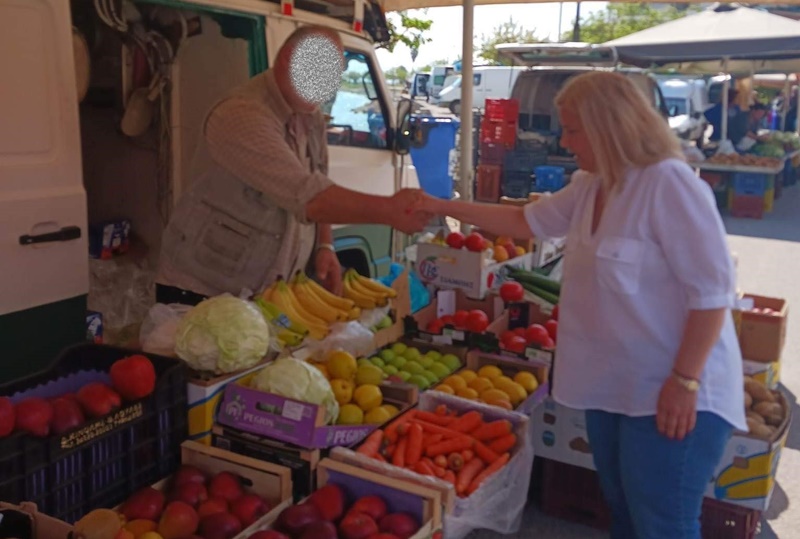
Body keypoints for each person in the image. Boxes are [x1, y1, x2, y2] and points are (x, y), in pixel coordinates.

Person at [415, 71, 746, 539]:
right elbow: (525, 220)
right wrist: (439, 205)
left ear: (610, 127)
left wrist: (684, 381)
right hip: (616, 388)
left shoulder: (669, 185)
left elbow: (713, 295)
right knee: (626, 513)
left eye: (572, 130)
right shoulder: (594, 183)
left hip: (673, 391)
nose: (564, 141)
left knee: (663, 523)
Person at [156, 26, 430, 306]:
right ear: (288, 58)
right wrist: (389, 210)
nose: (329, 84)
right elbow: (309, 197)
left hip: (262, 291)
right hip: (203, 288)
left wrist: (325, 245)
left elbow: (319, 177)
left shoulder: (308, 114)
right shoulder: (241, 115)